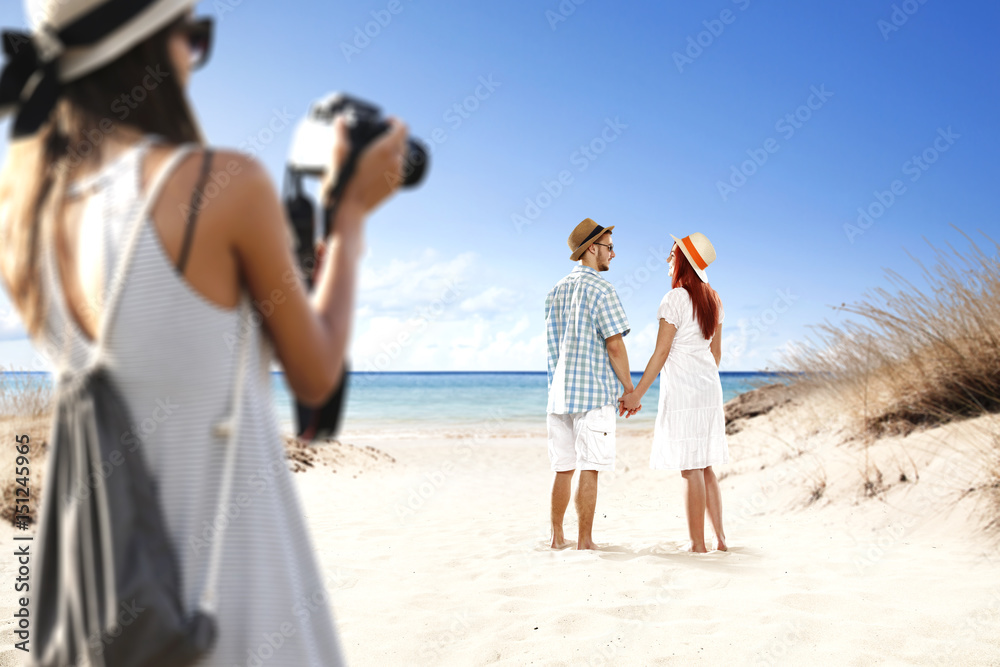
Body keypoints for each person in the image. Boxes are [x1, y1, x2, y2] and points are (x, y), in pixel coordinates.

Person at [0, 1, 407, 664]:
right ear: (152, 46)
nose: (195, 55)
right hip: (232, 593)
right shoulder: (222, 186)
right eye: (194, 35)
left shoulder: (23, 214)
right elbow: (316, 373)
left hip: (110, 595)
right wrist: (350, 213)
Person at [620, 233, 728, 553]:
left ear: (681, 260)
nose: (667, 260)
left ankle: (698, 545)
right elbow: (716, 355)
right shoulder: (715, 299)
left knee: (690, 467)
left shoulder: (674, 299)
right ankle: (720, 540)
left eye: (671, 254)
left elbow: (661, 353)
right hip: (709, 388)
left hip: (683, 392)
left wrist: (637, 392)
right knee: (706, 465)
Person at [545, 217, 637, 550]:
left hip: (559, 396)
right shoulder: (601, 288)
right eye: (609, 247)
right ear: (592, 248)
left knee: (563, 468)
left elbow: (554, 349)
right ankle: (585, 541)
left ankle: (557, 537)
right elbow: (615, 345)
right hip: (593, 393)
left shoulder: (554, 291)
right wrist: (630, 389)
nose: (613, 254)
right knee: (590, 467)